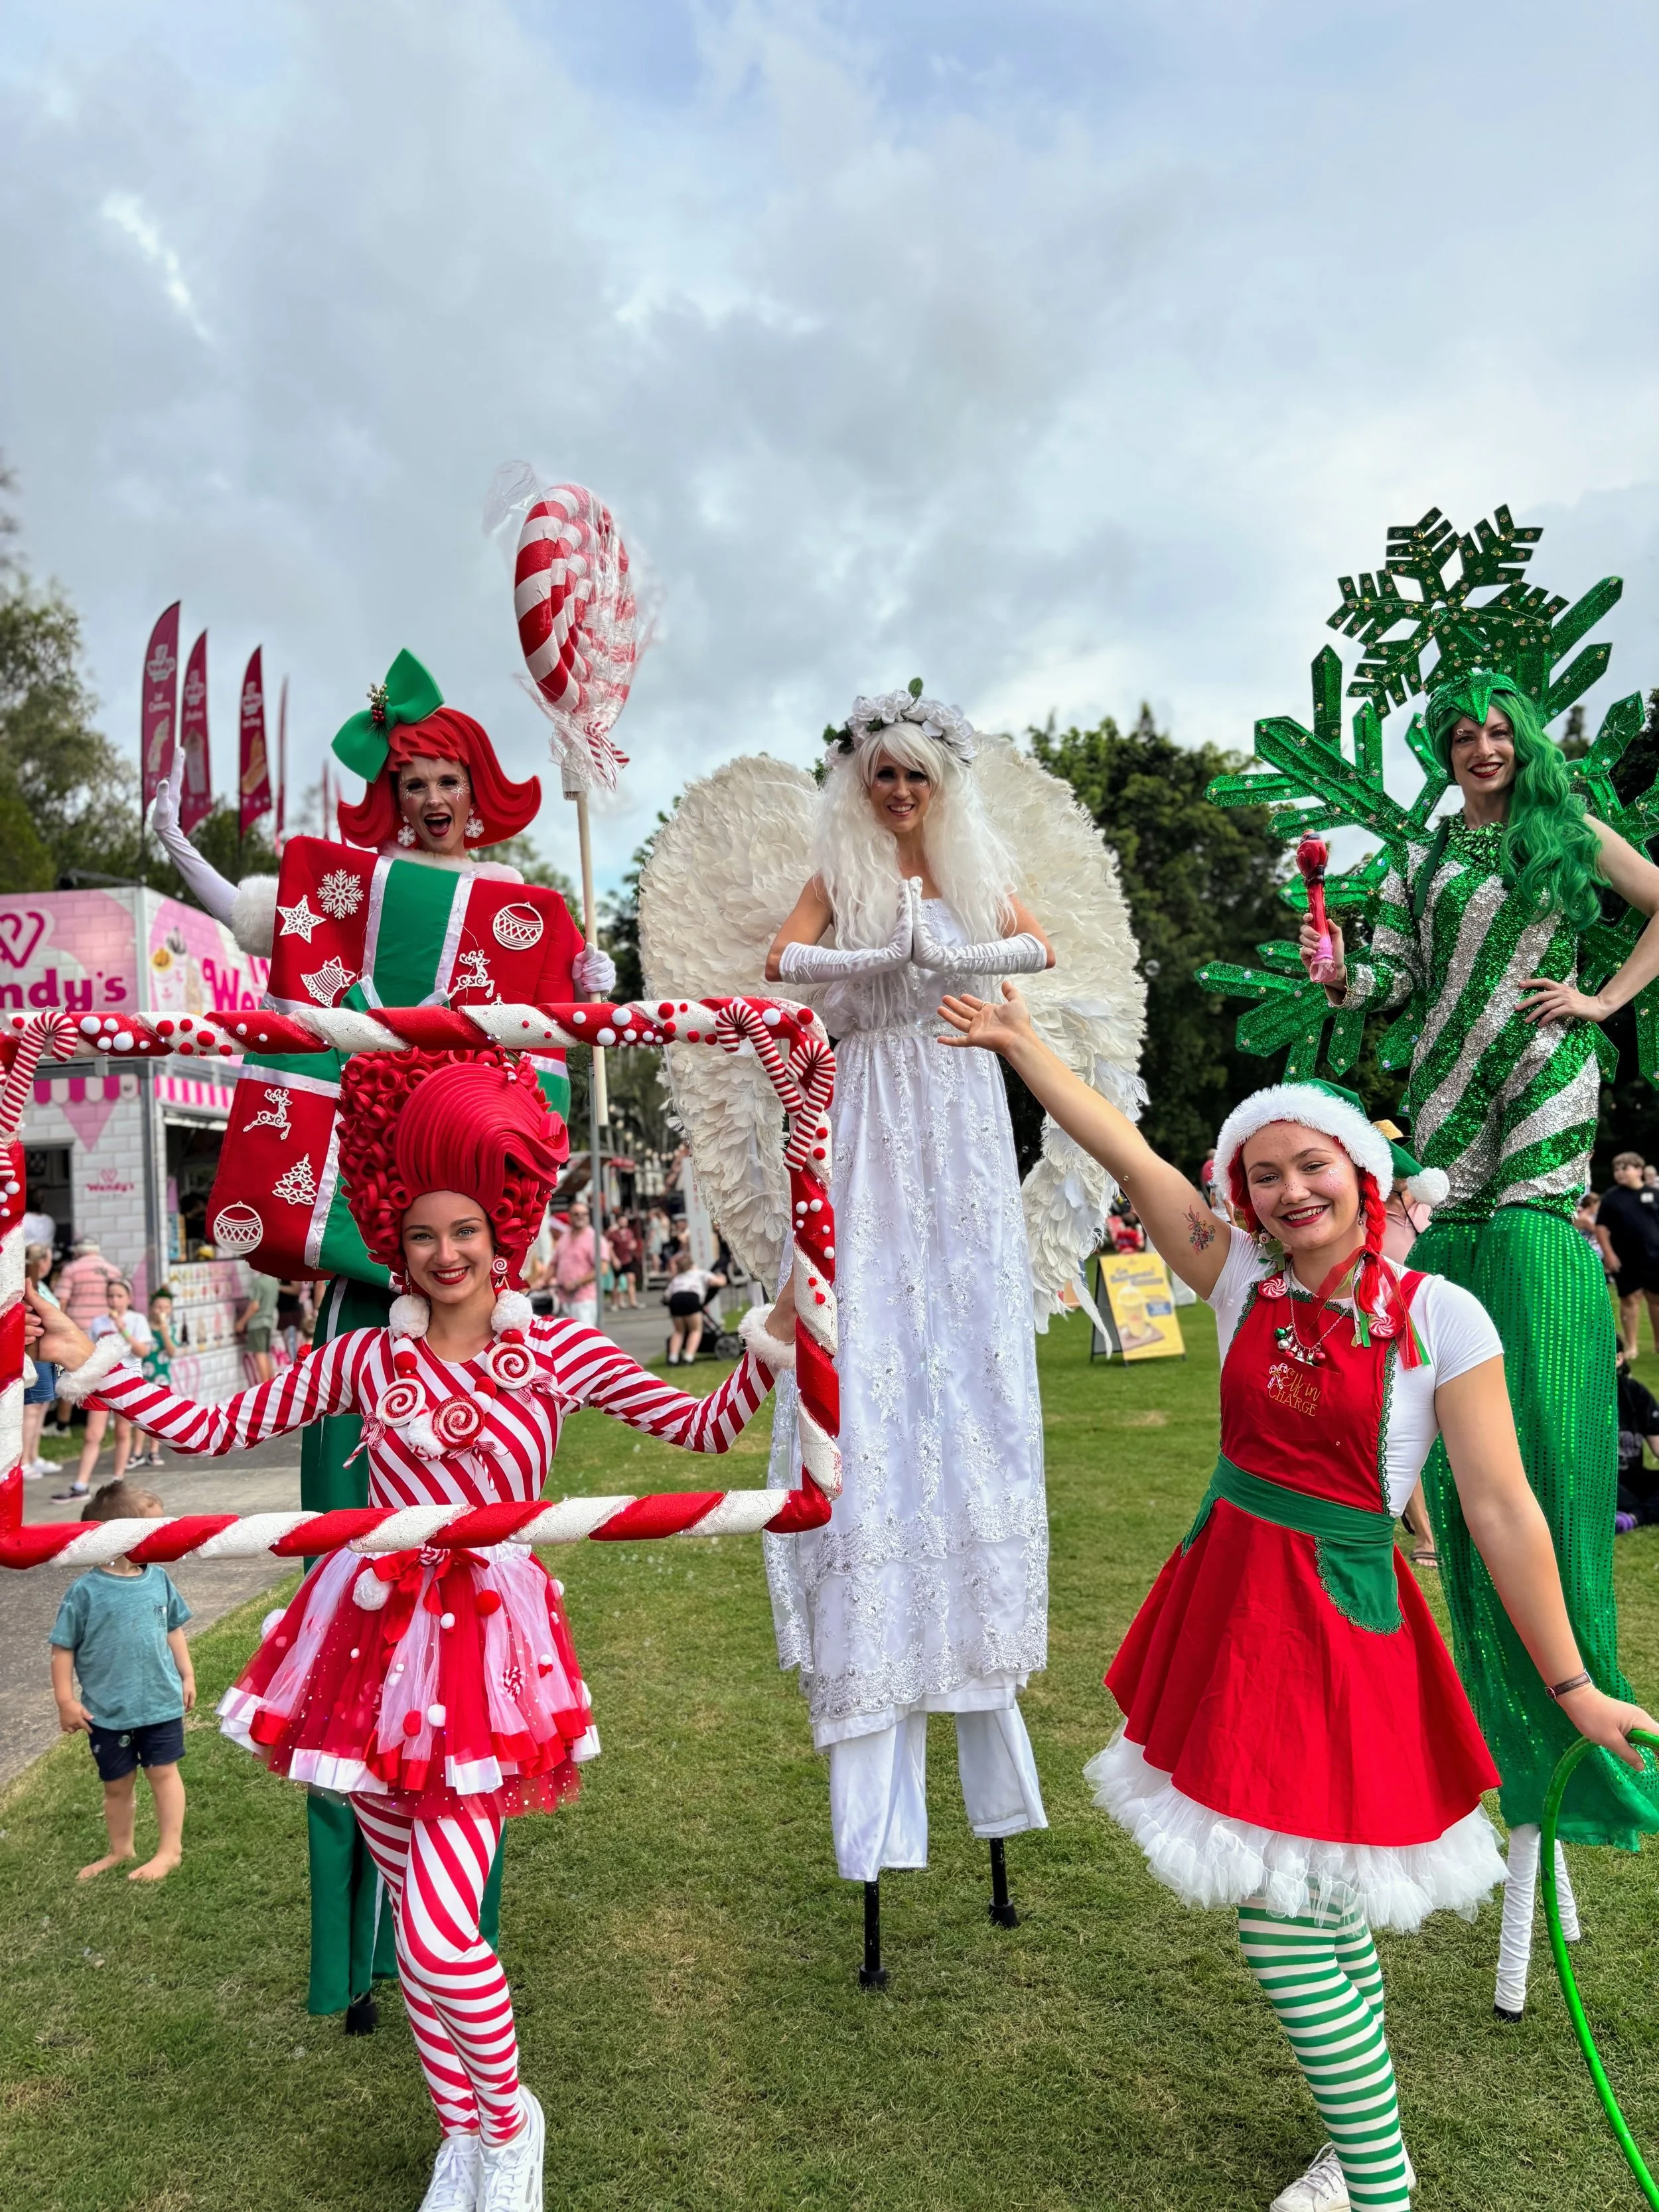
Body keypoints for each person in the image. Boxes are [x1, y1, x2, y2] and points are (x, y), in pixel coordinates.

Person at [28, 1045, 791, 2212]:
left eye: (469, 1230)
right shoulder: (363, 1353)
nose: (447, 1253)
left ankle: (513, 2119)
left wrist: (783, 1344)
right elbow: (219, 1422)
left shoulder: (558, 1350)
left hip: (489, 1657)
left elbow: (701, 1433)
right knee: (415, 1921)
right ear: (399, 1231)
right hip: (367, 1648)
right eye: (426, 1231)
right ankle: (463, 2134)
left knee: (439, 1939)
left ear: (509, 1228)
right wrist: (101, 1366)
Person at [940, 984, 1657, 2212]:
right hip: (1229, 1603)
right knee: (1310, 1907)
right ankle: (1364, 2149)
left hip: (1337, 1620)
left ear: (1363, 1173)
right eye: (1262, 1172)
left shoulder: (1444, 1313)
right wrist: (1021, 1047)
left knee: (1284, 1918)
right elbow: (1122, 1142)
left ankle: (1377, 2184)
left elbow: (1500, 1510)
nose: (1288, 1192)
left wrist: (1575, 1681)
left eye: (1310, 1164)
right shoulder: (1235, 1280)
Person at [1299, 667, 1659, 2014]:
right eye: (1462, 731)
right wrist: (1346, 970)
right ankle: (1508, 1729)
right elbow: (1386, 981)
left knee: (1527, 1303)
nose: (1483, 745)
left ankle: (1569, 1710)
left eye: (1497, 727)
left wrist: (1603, 1002)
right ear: (1441, 747)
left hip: (1543, 1084)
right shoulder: (1409, 858)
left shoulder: (1563, 833)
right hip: (1443, 1099)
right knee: (1454, 1397)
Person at [761, 688, 1058, 1962]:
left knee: (966, 1369)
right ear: (858, 781)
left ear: (942, 782)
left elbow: (1036, 952)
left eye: (915, 776)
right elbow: (780, 963)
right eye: (881, 775)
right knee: (873, 1348)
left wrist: (959, 957)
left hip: (961, 1113)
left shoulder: (978, 866)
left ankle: (983, 1729)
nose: (898, 794)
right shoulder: (838, 868)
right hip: (871, 1110)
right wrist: (876, 962)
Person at [49, 1481, 195, 1883]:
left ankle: (170, 1851)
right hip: (108, 1711)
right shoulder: (85, 1592)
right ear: (116, 1537)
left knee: (164, 1774)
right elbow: (63, 1649)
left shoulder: (159, 1579)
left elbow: (172, 1629)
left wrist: (187, 1674)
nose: (162, 1536)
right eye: (153, 1530)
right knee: (117, 1785)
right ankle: (121, 1849)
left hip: (160, 1702)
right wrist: (65, 1701)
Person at [54, 1279, 153, 1502]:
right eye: (110, 1296)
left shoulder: (137, 1320)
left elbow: (142, 1351)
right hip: (101, 1383)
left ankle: (118, 1481)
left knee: (122, 1432)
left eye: (119, 1296)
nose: (114, 1301)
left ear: (128, 1298)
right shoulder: (98, 1322)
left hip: (128, 1382)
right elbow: (89, 1352)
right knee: (92, 1434)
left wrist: (123, 1330)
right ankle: (81, 1484)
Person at [1594, 1151, 1659, 1355]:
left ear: (1639, 1170)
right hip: (1626, 1259)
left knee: (1656, 1299)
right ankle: (1632, 1346)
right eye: (1616, 1169)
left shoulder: (1655, 1195)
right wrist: (1609, 1255)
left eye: (1625, 1168)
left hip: (1655, 1258)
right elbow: (1601, 1228)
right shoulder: (1612, 1198)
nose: (1620, 1173)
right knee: (1630, 1299)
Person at [21, 1243, 60, 1478]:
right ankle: (24, 1460)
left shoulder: (42, 1285)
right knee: (32, 1408)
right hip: (35, 1353)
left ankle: (34, 1456)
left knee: (42, 1406)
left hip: (47, 1354)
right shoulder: (29, 1285)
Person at [135, 1286, 180, 1468]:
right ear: (151, 1308)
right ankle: (137, 1452)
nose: (161, 1311)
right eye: (158, 1307)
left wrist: (163, 1331)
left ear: (170, 1310)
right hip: (143, 1378)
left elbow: (171, 1352)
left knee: (157, 1417)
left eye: (166, 1307)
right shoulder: (144, 1328)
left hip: (162, 1379)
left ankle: (154, 1451)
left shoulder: (170, 1329)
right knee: (138, 1415)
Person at [1615, 1347, 1659, 1530]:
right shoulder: (1577, 1397)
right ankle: (1638, 1514)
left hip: (1632, 1477)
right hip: (1596, 1482)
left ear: (1619, 1359)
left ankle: (1631, 1517)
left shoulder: (1635, 1393)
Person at [550, 1199, 605, 1330]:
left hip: (584, 1299)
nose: (580, 1217)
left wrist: (577, 1283)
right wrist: (541, 1282)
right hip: (563, 1298)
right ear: (569, 1216)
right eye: (576, 1214)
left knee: (584, 1340)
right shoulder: (565, 1236)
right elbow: (554, 1264)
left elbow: (602, 1268)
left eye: (584, 1214)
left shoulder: (595, 1239)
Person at [663, 1250, 727, 1364]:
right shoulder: (700, 1273)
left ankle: (673, 1358)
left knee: (678, 1331)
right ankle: (689, 1357)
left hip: (675, 1299)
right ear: (693, 1265)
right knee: (695, 1330)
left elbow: (667, 1296)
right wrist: (723, 1278)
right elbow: (715, 1282)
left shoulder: (677, 1278)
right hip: (691, 1298)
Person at [238, 1270, 280, 1384]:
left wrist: (242, 1322)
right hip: (268, 1321)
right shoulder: (274, 1282)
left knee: (260, 1354)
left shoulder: (258, 1283)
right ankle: (271, 1383)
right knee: (265, 1353)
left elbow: (255, 1306)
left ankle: (266, 1385)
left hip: (257, 1323)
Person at [607, 1215, 640, 1309]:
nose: (624, 1223)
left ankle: (633, 1302)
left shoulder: (629, 1232)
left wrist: (634, 1245)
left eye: (625, 1221)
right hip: (618, 1260)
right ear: (618, 1221)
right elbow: (609, 1247)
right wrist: (614, 1259)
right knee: (616, 1283)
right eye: (622, 1221)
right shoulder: (613, 1234)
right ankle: (614, 1303)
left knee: (631, 1279)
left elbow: (633, 1242)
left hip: (627, 1259)